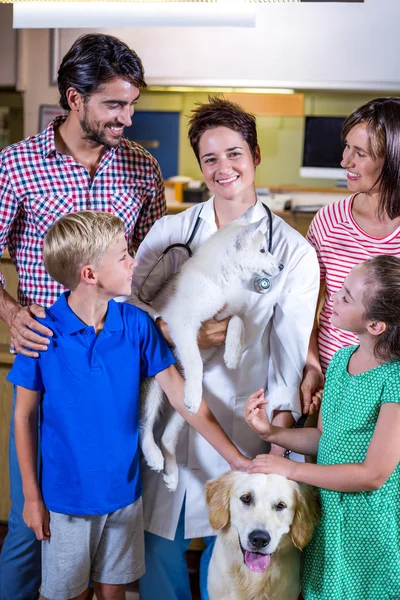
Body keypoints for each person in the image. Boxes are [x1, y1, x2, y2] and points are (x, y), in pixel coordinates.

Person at [128, 96, 320, 600]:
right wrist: (178, 335)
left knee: (234, 554)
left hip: (240, 420)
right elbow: (135, 319)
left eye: (234, 153)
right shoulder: (171, 233)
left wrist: (277, 451)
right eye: (210, 158)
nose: (223, 168)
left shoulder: (292, 252)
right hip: (173, 409)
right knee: (159, 546)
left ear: (255, 155)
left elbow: (288, 356)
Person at [7, 211, 248, 600]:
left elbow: (182, 398)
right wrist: (32, 500)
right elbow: (23, 415)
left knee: (113, 591)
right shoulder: (42, 333)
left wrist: (236, 459)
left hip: (125, 495)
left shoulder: (136, 324)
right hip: (67, 502)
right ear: (90, 274)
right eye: (123, 255)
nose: (133, 261)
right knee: (68, 594)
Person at [0, 33, 165, 600]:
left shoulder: (143, 169)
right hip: (47, 360)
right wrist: (8, 310)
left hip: (116, 364)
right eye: (113, 105)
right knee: (31, 530)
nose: (127, 116)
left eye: (132, 104)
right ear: (75, 98)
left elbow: (151, 268)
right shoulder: (16, 165)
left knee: (113, 516)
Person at [245, 255, 400, 600]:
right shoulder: (343, 359)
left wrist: (289, 469)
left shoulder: (395, 379)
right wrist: (272, 433)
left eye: (346, 296)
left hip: (370, 524)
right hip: (327, 513)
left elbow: (372, 474)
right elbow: (323, 439)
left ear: (375, 325)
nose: (334, 298)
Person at [301, 97, 400, 410]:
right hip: (332, 386)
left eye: (360, 153)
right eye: (347, 147)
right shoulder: (328, 221)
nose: (345, 161)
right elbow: (304, 307)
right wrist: (313, 367)